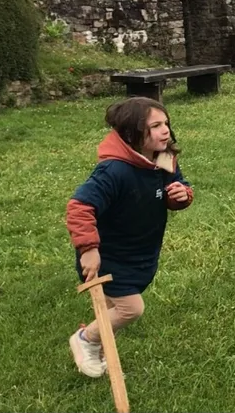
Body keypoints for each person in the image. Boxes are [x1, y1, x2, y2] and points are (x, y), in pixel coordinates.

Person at [66, 97, 194, 378]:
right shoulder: (115, 170)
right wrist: (88, 249)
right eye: (155, 126)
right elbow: (80, 207)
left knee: (112, 311)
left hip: (141, 251)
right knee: (130, 309)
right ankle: (86, 339)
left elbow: (177, 186)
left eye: (166, 124)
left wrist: (181, 196)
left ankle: (100, 352)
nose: (166, 131)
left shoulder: (162, 160)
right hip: (110, 254)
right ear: (131, 133)